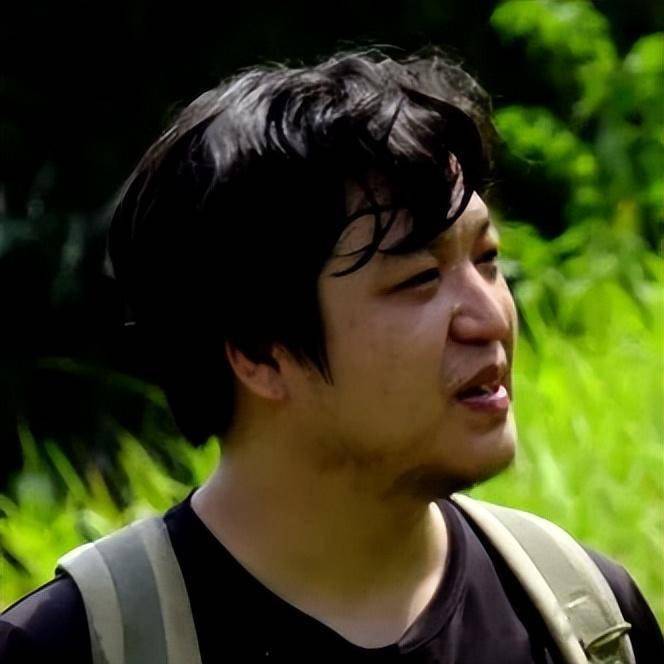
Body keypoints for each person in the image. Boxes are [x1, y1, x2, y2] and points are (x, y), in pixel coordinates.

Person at [0, 49, 661, 664]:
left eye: (487, 260)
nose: (491, 318)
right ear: (260, 352)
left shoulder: (584, 619)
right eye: (418, 279)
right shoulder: (72, 648)